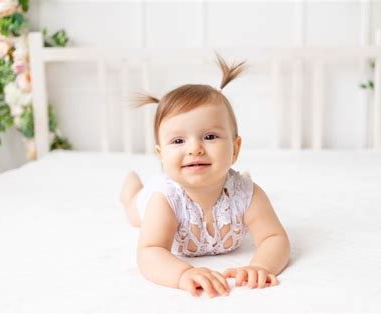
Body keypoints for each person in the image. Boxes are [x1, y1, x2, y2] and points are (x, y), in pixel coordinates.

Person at [120, 54, 290, 298]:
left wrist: (261, 266)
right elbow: (150, 250)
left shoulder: (247, 194)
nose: (194, 149)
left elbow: (274, 237)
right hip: (150, 198)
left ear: (235, 148)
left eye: (210, 136)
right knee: (134, 214)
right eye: (178, 141)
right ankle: (130, 191)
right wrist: (182, 274)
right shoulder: (163, 200)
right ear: (161, 155)